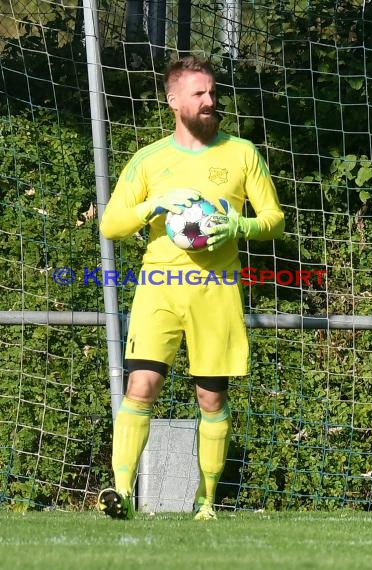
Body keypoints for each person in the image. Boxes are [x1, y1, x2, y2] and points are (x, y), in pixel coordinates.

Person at [97, 55, 285, 521]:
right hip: (159, 286)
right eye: (199, 93)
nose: (209, 100)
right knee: (140, 386)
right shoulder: (149, 159)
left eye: (212, 92)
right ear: (173, 99)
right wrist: (153, 206)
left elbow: (275, 220)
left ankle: (207, 503)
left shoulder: (241, 153)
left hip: (215, 290)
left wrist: (238, 226)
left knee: (211, 398)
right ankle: (120, 492)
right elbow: (111, 224)